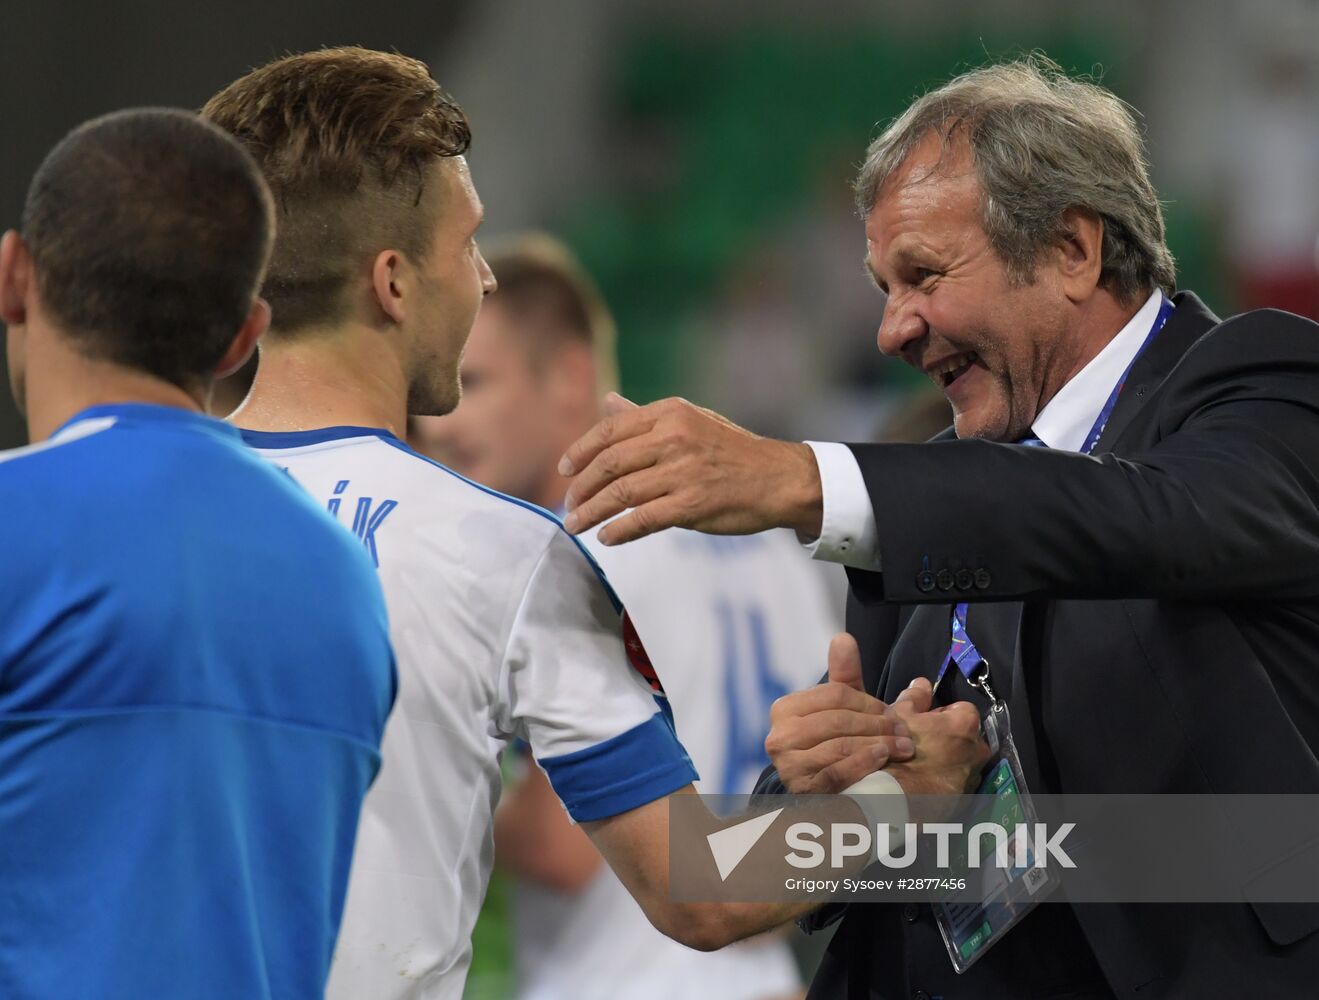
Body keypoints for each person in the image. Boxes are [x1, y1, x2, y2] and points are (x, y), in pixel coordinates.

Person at [203, 46, 990, 1000]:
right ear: (394, 283)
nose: (485, 280)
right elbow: (700, 888)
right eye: (466, 245)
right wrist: (900, 801)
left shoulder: (94, 519)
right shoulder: (502, 552)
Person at [558, 56, 1319, 998]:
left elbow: (1136, 517)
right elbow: (809, 861)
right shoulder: (929, 501)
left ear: (1071, 250)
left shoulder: (1261, 388)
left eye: (922, 275)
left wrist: (802, 477)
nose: (891, 330)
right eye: (883, 287)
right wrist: (835, 786)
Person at [0, 108, 396, 999]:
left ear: (13, 276)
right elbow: (702, 893)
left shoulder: (14, 524)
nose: (485, 276)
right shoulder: (347, 575)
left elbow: (697, 894)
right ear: (243, 337)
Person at [412, 235, 841, 1000]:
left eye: (471, 383)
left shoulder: (563, 552)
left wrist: (411, 774)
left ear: (569, 376)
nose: (439, 422)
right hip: (761, 972)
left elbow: (558, 849)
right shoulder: (768, 544)